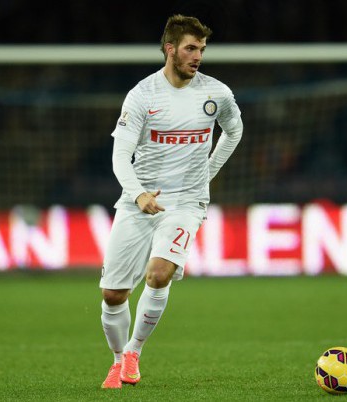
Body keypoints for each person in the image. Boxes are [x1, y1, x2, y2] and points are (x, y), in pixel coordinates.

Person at [99, 14, 243, 389]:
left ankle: (133, 352)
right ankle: (117, 360)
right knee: (113, 294)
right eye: (191, 48)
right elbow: (120, 155)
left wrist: (206, 174)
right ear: (170, 49)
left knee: (159, 273)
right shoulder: (143, 95)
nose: (198, 56)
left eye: (202, 49)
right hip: (139, 201)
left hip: (186, 203)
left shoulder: (217, 94)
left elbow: (234, 131)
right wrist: (139, 194)